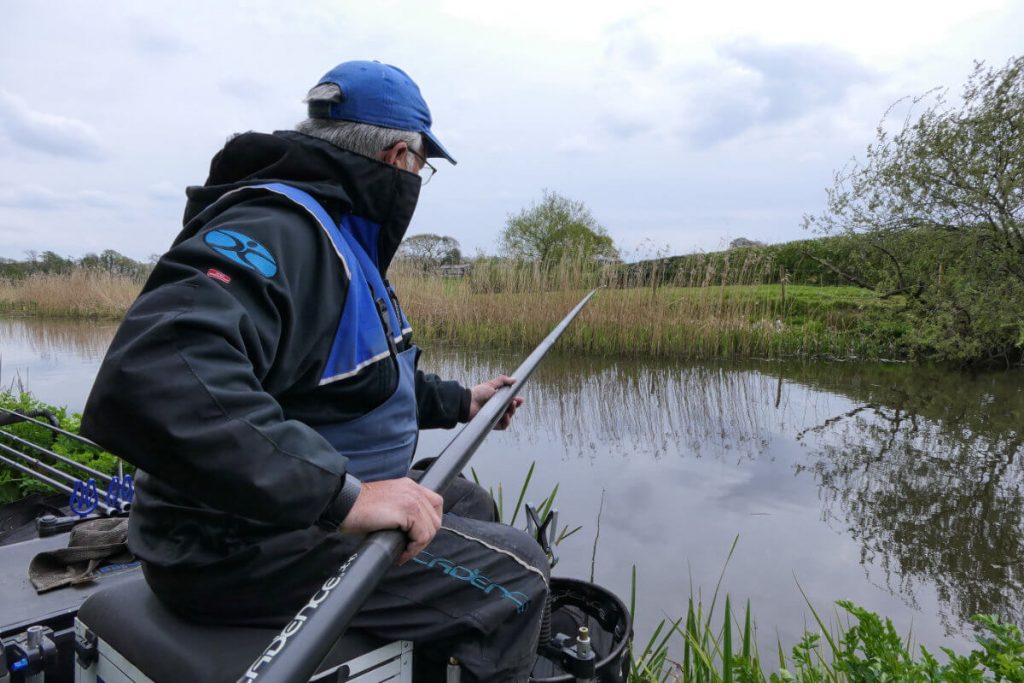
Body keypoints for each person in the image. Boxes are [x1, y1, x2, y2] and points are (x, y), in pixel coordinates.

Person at [80, 60, 549, 682]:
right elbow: (156, 373)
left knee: (465, 498)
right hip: (230, 547)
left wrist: (465, 401)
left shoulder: (341, 241)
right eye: (422, 167)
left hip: (287, 515)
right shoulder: (274, 229)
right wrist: (344, 496)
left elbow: (363, 380)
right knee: (519, 571)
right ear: (397, 157)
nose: (418, 179)